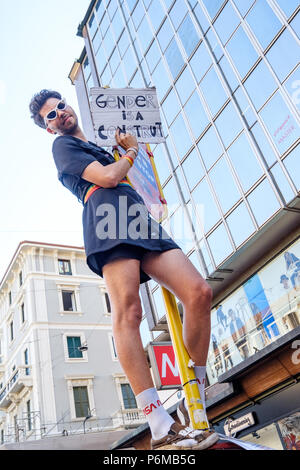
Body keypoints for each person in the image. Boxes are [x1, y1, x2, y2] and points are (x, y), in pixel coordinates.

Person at [29, 90, 219, 450]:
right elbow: (109, 178)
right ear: (49, 129)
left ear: (68, 105)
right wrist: (130, 152)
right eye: (50, 116)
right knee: (129, 311)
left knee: (199, 293)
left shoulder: (101, 145)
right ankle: (159, 423)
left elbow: (124, 176)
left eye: (60, 106)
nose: (59, 114)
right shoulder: (63, 148)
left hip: (139, 219)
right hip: (106, 218)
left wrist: (132, 154)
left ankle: (196, 388)